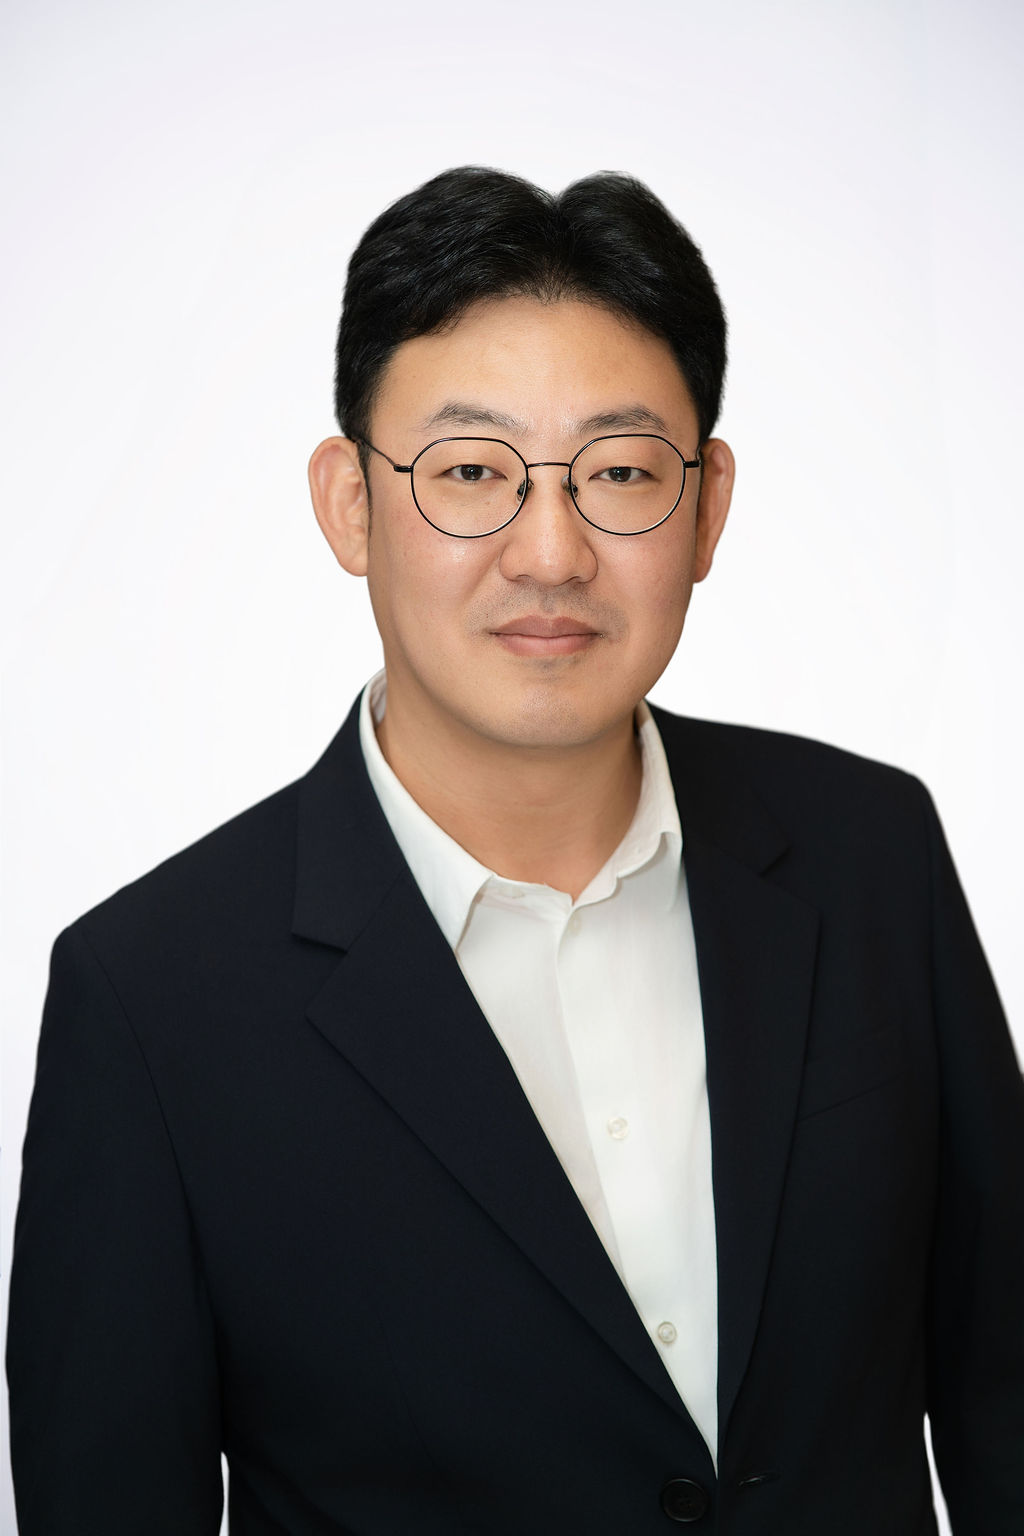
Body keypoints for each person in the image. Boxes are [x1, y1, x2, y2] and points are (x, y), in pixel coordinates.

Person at [7, 167, 1023, 1536]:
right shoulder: (153, 997)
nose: (552, 552)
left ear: (708, 506)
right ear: (349, 504)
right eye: (472, 473)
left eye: (619, 473)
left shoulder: (870, 854)